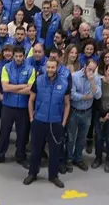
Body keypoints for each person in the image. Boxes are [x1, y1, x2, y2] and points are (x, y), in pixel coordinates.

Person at [23, 57, 70, 188]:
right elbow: (31, 100)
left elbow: (67, 104)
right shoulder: (38, 81)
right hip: (39, 121)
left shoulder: (64, 83)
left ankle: (53, 175)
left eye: (52, 67)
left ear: (57, 68)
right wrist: (31, 118)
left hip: (56, 123)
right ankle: (32, 173)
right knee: (36, 150)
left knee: (55, 151)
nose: (50, 69)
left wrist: (63, 123)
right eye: (48, 67)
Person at [0, 49, 34, 168]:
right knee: (4, 132)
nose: (18, 58)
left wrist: (12, 88)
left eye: (20, 56)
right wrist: (22, 86)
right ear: (13, 56)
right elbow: (5, 88)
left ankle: (21, 156)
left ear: (24, 56)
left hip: (23, 107)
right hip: (8, 106)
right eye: (16, 56)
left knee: (22, 134)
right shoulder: (6, 68)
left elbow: (30, 90)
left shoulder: (31, 69)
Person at [66, 59, 102, 173]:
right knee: (71, 137)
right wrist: (85, 97)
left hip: (87, 112)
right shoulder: (74, 76)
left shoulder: (96, 79)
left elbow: (98, 95)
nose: (91, 72)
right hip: (74, 111)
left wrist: (92, 82)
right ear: (84, 66)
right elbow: (72, 94)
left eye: (93, 70)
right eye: (89, 69)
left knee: (82, 137)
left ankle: (78, 158)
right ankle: (69, 158)